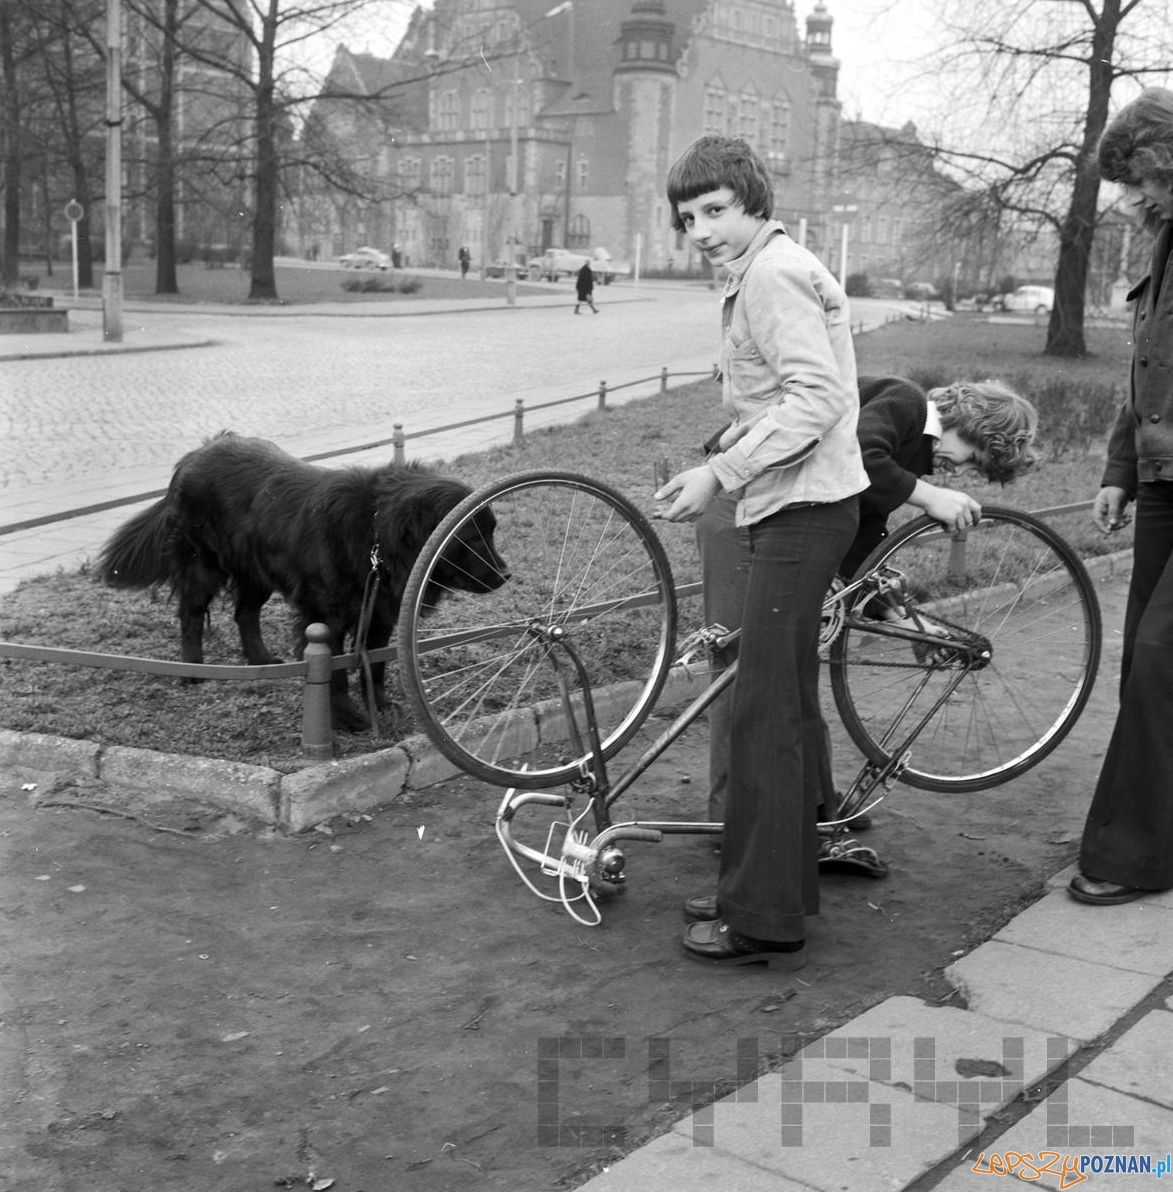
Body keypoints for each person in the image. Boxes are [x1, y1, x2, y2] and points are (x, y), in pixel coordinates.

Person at [653, 135, 868, 970]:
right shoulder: (763, 271)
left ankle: (764, 916)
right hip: (796, 503)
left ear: (752, 201)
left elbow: (818, 397)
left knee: (764, 715)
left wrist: (720, 472)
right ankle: (761, 880)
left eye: (714, 211)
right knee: (770, 707)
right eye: (687, 219)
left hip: (804, 510)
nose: (700, 230)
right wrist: (727, 450)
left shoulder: (771, 276)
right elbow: (787, 394)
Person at [696, 375, 1039, 836]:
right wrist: (928, 496)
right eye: (970, 457)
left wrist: (907, 621)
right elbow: (857, 453)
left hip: (777, 519)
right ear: (972, 423)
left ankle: (816, 808)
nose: (955, 471)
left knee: (796, 674)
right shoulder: (906, 402)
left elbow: (858, 548)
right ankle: (734, 825)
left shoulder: (901, 456)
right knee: (743, 676)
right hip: (744, 516)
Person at [1068, 87, 1173, 907]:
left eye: (1135, 178)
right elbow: (1142, 374)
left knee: (1156, 660)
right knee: (1141, 657)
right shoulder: (1162, 246)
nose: (1128, 197)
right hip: (1162, 481)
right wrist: (1117, 470)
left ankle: (1133, 855)